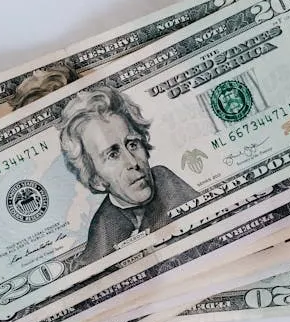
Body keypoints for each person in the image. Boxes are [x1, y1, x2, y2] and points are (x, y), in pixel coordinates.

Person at [58, 87, 198, 265]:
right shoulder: (102, 234)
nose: (133, 162)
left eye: (132, 144)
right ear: (97, 180)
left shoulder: (167, 182)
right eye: (113, 155)